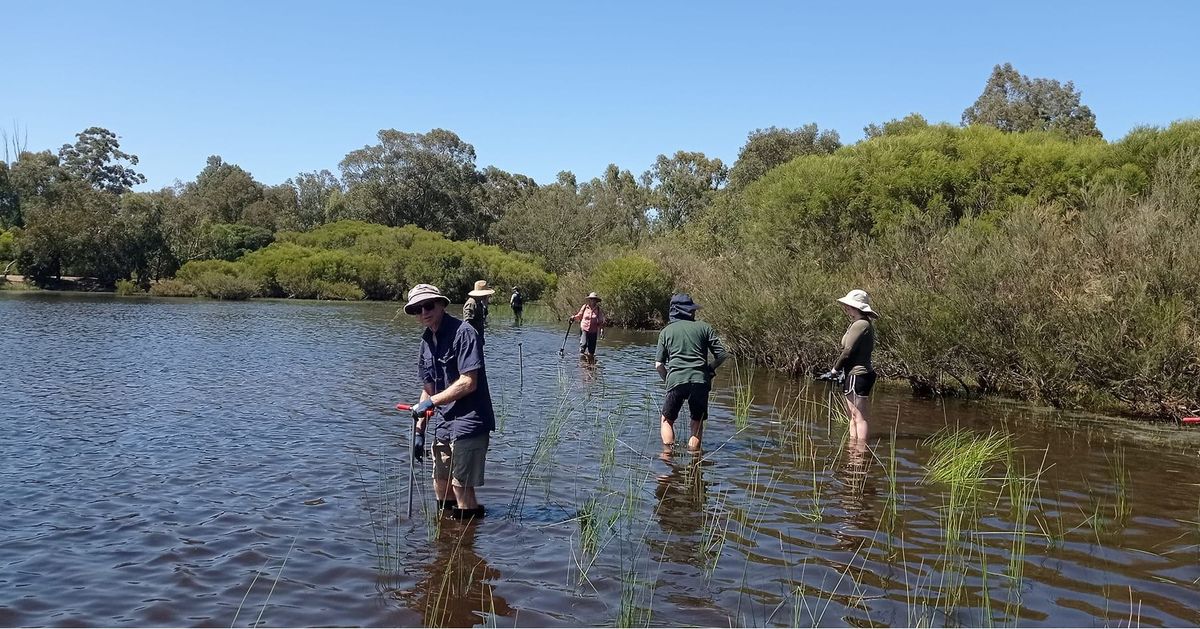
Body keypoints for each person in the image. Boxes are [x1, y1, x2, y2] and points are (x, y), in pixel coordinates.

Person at [405, 283, 495, 520]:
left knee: (461, 485)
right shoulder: (426, 342)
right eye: (417, 309)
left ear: (442, 305)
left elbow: (469, 382)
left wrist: (432, 402)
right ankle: (446, 543)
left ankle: (465, 546)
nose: (423, 312)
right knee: (441, 483)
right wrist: (419, 432)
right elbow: (428, 390)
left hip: (470, 421)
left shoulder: (464, 333)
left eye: (428, 305)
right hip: (444, 423)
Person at [654, 293, 728, 453]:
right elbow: (722, 355)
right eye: (692, 310)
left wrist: (668, 381)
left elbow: (659, 365)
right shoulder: (704, 327)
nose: (695, 312)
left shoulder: (666, 332)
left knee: (666, 420)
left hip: (676, 381)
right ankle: (694, 462)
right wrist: (710, 368)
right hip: (700, 381)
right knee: (697, 422)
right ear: (688, 311)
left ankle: (668, 459)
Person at [819, 289, 878, 443]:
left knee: (858, 416)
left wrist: (834, 371)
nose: (846, 308)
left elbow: (847, 352)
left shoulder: (861, 324)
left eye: (849, 306)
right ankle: (853, 448)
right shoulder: (858, 324)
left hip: (858, 374)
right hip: (854, 374)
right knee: (853, 415)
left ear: (857, 307)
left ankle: (860, 452)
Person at [570, 292, 607, 361]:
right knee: (583, 345)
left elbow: (600, 321)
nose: (593, 300)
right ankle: (582, 363)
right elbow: (579, 316)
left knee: (591, 351)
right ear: (589, 300)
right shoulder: (585, 307)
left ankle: (590, 365)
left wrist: (602, 331)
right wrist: (573, 318)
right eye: (591, 299)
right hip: (584, 328)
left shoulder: (598, 310)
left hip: (593, 331)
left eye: (594, 299)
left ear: (596, 301)